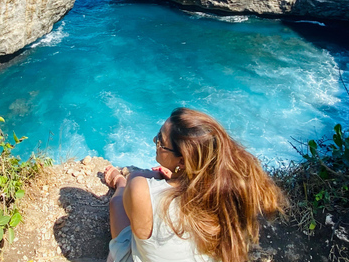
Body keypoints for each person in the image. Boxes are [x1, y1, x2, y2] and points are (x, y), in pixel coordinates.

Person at [104, 107, 286, 262]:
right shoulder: (229, 196)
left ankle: (117, 182)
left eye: (161, 141)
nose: (154, 141)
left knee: (117, 202)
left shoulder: (139, 187)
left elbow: (133, 188)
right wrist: (175, 177)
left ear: (182, 162)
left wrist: (130, 180)